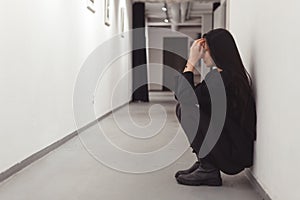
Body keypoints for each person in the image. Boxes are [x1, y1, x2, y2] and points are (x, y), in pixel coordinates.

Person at [174, 28, 256, 186]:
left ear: (217, 51)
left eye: (205, 51)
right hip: (234, 147)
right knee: (184, 108)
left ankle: (208, 169)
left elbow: (184, 97)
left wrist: (191, 62)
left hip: (233, 155)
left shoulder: (222, 80)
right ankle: (205, 163)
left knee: (185, 109)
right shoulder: (226, 76)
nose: (203, 55)